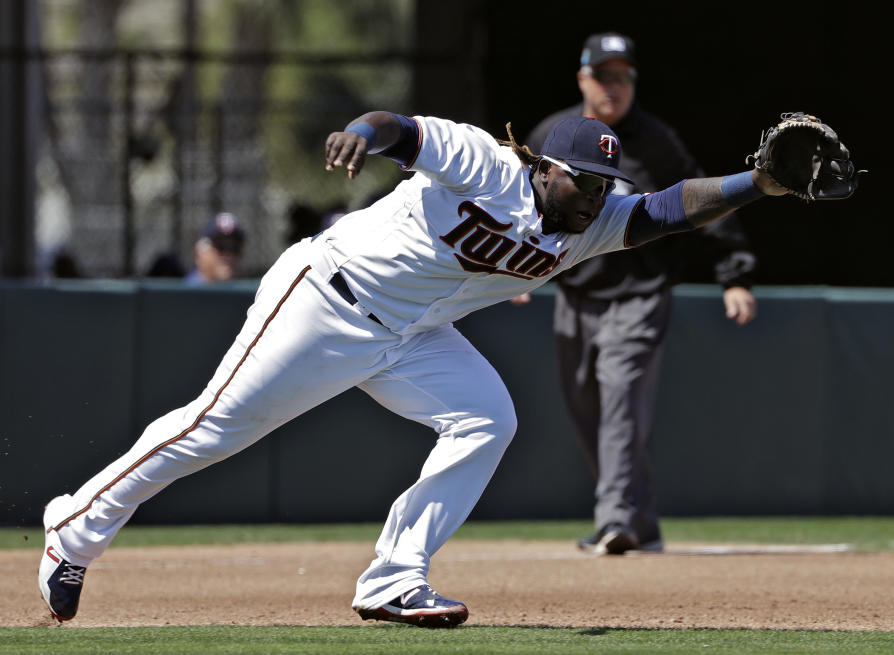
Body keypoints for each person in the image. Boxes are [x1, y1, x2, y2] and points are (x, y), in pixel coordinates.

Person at [38, 108, 810, 629]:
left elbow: (673, 207)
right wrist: (359, 132)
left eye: (607, 183)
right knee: (211, 430)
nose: (598, 194)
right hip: (328, 299)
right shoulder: (486, 163)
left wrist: (762, 184)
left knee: (488, 419)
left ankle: (392, 577)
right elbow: (402, 131)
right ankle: (73, 528)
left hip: (410, 331)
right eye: (584, 178)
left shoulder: (596, 220)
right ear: (543, 165)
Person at [521, 32, 758, 555]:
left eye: (623, 76)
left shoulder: (654, 140)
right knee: (586, 410)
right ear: (583, 78)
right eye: (604, 76)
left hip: (638, 293)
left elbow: (698, 198)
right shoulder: (553, 136)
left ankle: (616, 521)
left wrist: (734, 272)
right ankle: (639, 522)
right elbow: (519, 201)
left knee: (621, 402)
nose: (614, 86)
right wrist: (512, 264)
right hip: (577, 294)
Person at [184, 212, 246, 285]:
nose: (228, 255)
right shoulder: (184, 293)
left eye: (234, 248)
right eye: (220, 247)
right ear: (198, 253)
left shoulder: (245, 292)